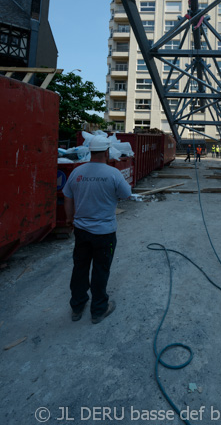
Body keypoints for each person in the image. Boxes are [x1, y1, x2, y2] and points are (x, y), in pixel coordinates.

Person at [63, 136, 132, 324]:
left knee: (80, 267)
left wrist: (70, 219)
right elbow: (127, 195)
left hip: (81, 231)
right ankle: (99, 310)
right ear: (107, 152)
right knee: (101, 270)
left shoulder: (77, 172)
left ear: (90, 151)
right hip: (104, 233)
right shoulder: (113, 173)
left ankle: (77, 307)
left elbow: (68, 197)